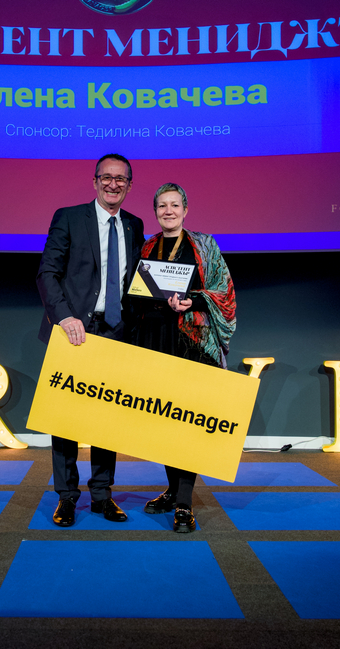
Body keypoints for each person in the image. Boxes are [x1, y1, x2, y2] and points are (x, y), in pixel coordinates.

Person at [36, 153, 146, 527]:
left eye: (121, 179)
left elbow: (137, 281)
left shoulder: (134, 225)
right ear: (95, 181)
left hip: (117, 332)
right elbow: (47, 273)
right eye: (106, 177)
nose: (113, 184)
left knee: (107, 420)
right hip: (74, 331)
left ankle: (102, 495)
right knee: (66, 419)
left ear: (129, 185)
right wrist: (64, 317)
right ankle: (67, 496)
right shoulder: (68, 217)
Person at [132, 182, 237, 533]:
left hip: (192, 341)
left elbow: (224, 291)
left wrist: (195, 299)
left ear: (185, 209)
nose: (168, 211)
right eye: (162, 206)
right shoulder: (146, 246)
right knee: (164, 420)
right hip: (156, 339)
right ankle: (173, 489)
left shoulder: (204, 245)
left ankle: (184, 503)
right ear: (155, 211)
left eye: (174, 205)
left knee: (188, 421)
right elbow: (133, 292)